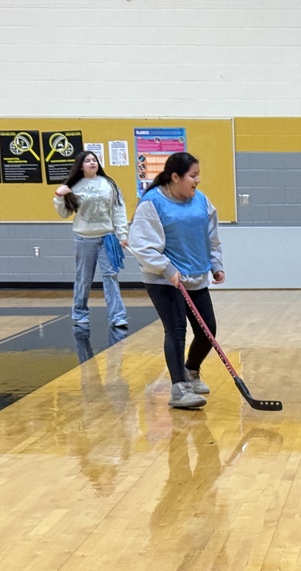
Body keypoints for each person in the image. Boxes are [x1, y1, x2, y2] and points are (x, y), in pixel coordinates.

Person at [127, 152, 226, 410]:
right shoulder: (152, 203)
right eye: (193, 175)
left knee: (208, 330)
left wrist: (215, 264)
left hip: (195, 276)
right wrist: (166, 268)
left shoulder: (201, 201)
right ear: (175, 177)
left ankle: (191, 371)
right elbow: (141, 246)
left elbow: (211, 237)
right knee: (176, 330)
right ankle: (178, 388)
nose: (198, 180)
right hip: (164, 280)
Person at [54, 151, 129, 328]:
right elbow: (64, 213)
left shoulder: (109, 184)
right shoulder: (74, 186)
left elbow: (118, 209)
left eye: (94, 160)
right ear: (80, 166)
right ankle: (79, 313)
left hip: (107, 238)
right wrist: (58, 196)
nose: (92, 163)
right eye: (87, 161)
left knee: (111, 276)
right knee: (84, 278)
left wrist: (123, 234)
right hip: (84, 239)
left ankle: (117, 316)